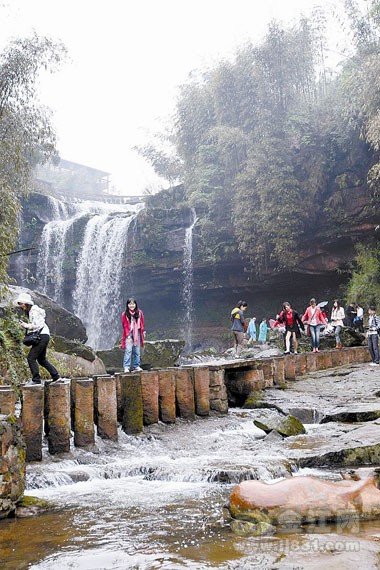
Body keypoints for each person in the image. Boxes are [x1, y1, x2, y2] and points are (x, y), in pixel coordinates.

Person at [16, 292, 61, 385]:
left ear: (25, 303)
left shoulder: (33, 311)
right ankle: (56, 376)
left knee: (31, 358)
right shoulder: (32, 311)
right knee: (41, 359)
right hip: (44, 335)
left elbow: (38, 325)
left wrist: (25, 325)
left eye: (20, 304)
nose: (20, 306)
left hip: (42, 336)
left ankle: (36, 380)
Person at [121, 298, 145, 373]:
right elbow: (124, 325)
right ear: (127, 305)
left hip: (137, 333)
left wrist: (142, 331)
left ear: (135, 304)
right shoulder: (125, 314)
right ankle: (126, 367)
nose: (131, 305)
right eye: (130, 304)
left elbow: (142, 323)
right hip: (129, 333)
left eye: (133, 304)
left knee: (137, 350)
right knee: (128, 350)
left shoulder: (139, 313)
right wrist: (127, 334)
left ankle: (136, 366)